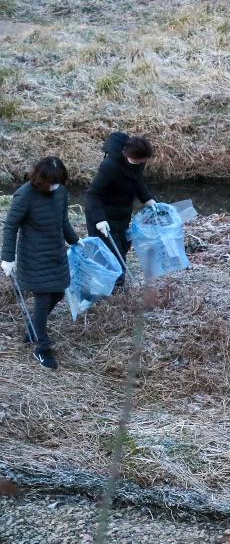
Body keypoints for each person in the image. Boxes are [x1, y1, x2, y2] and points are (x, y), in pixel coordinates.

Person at [1, 157, 81, 370]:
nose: (54, 186)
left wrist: (75, 240)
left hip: (56, 253)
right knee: (43, 298)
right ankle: (42, 347)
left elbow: (63, 221)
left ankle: (33, 329)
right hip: (33, 256)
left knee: (58, 293)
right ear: (40, 178)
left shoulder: (60, 192)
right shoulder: (24, 196)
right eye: (51, 182)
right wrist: (7, 258)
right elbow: (10, 226)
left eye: (58, 181)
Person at [85, 133, 156, 286]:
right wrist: (99, 220)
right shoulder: (110, 166)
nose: (139, 163)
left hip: (122, 213)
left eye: (142, 161)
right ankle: (111, 289)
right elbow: (92, 194)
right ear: (126, 154)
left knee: (122, 247)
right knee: (111, 253)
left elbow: (137, 181)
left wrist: (148, 199)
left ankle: (116, 286)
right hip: (102, 215)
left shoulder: (138, 162)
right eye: (136, 160)